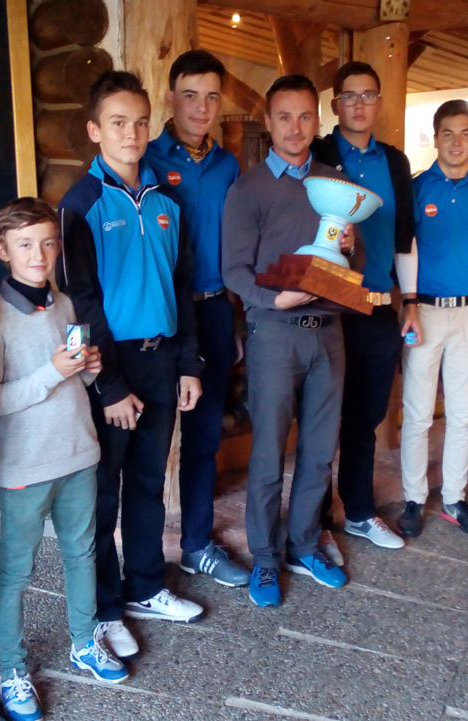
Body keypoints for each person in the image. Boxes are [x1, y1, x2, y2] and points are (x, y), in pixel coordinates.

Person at [56, 71, 205, 660]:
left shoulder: (168, 200)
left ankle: (145, 586)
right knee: (102, 493)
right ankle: (104, 608)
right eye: (118, 123)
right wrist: (109, 384)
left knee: (148, 482)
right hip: (110, 369)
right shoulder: (80, 205)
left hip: (161, 359)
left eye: (141, 122)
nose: (132, 134)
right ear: (95, 130)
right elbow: (80, 302)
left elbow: (183, 286)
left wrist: (188, 362)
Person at [222, 74, 366, 607]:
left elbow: (358, 266)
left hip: (329, 333)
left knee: (319, 451)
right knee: (267, 454)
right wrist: (272, 300)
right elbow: (233, 270)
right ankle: (265, 557)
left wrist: (351, 245)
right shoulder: (249, 189)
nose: (295, 127)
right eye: (284, 116)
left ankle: (304, 545)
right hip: (275, 334)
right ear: (268, 121)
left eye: (305, 116)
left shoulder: (337, 185)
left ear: (317, 120)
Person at [0, 198, 127, 721]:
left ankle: (84, 642)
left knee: (82, 553)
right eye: (25, 244)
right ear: (2, 251)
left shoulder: (65, 303)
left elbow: (77, 380)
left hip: (80, 453)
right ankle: (10, 667)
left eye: (48, 243)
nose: (39, 255)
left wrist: (88, 368)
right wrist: (52, 371)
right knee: (15, 571)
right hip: (27, 466)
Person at [143, 50, 246, 588]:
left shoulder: (228, 166)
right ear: (170, 98)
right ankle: (140, 565)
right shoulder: (146, 159)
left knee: (205, 437)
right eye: (190, 95)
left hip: (213, 309)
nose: (201, 107)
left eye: (211, 96)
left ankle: (196, 545)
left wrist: (236, 319)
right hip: (161, 319)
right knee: (151, 442)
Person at [309, 61, 415, 552]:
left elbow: (403, 238)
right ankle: (313, 523)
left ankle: (357, 511)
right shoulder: (318, 153)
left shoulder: (395, 162)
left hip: (376, 306)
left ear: (379, 102)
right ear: (335, 105)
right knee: (319, 417)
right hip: (327, 304)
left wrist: (410, 301)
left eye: (368, 95)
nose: (359, 105)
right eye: (349, 96)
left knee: (365, 417)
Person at [396, 100, 468, 539]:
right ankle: (413, 498)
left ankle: (455, 499)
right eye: (448, 133)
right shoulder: (416, 190)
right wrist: (411, 302)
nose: (456, 142)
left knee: (462, 413)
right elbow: (403, 250)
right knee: (418, 412)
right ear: (436, 137)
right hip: (423, 312)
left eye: (465, 134)